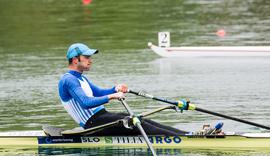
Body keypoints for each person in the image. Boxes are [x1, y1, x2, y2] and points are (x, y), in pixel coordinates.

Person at [58, 43, 188, 136]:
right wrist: (112, 96)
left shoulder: (81, 78)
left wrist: (115, 89)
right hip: (92, 124)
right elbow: (85, 103)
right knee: (136, 123)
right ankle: (184, 139)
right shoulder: (69, 80)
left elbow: (99, 93)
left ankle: (187, 134)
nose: (90, 60)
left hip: (101, 117)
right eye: (87, 57)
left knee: (140, 119)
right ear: (75, 60)